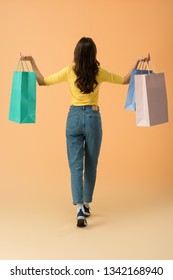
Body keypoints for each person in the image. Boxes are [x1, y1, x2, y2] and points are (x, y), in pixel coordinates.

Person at [22, 37, 149, 227]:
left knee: (75, 167)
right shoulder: (98, 73)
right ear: (93, 55)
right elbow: (125, 80)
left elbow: (42, 82)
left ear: (76, 54)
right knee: (91, 164)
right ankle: (87, 202)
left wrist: (31, 61)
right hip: (93, 118)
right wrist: (138, 62)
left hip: (73, 119)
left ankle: (79, 208)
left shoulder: (68, 71)